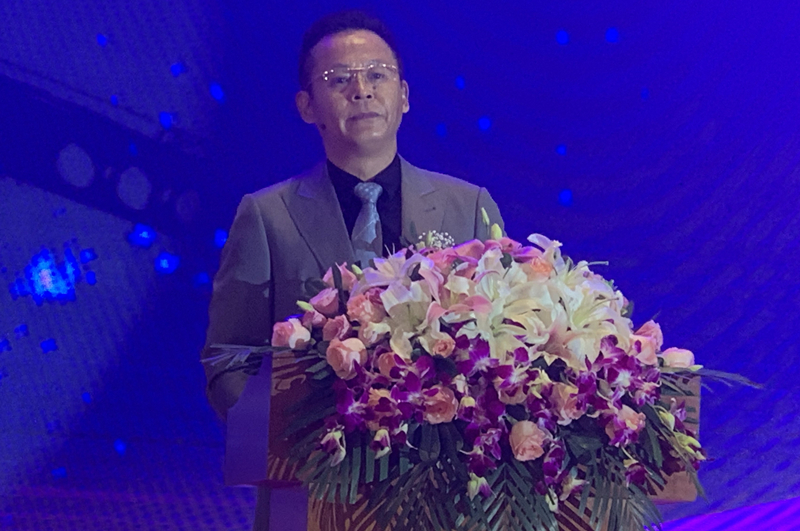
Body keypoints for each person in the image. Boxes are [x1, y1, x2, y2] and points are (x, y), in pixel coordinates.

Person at [201, 10, 504, 531]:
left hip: (448, 495)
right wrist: (296, 434)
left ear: (403, 96)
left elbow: (506, 339)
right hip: (315, 493)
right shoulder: (267, 216)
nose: (361, 90)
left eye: (377, 75)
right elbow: (227, 357)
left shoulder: (468, 207)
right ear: (306, 106)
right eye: (338, 79)